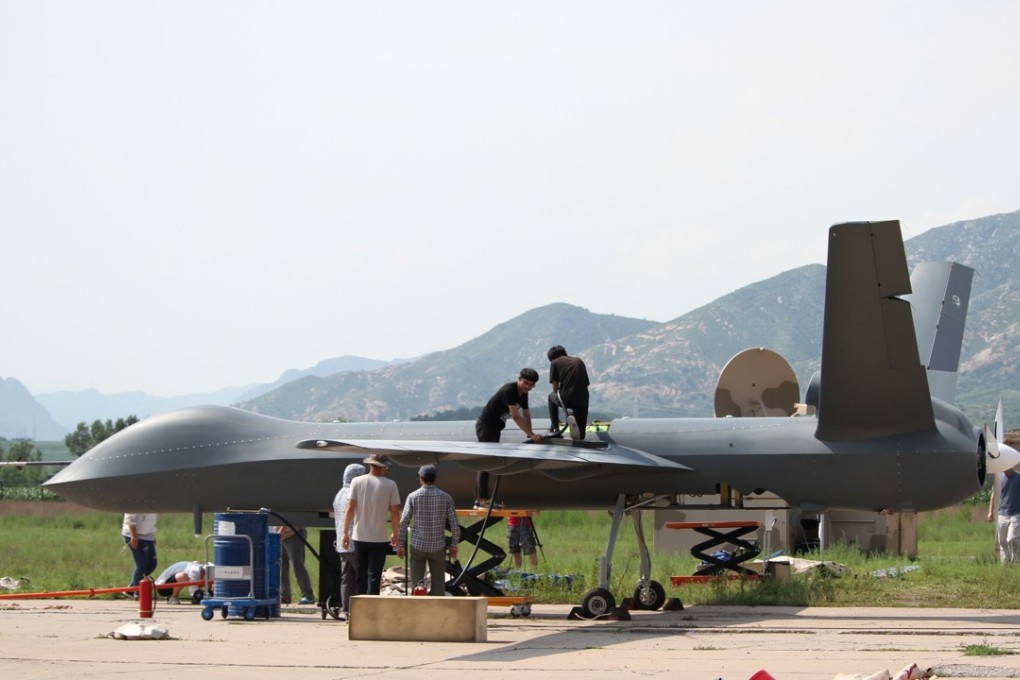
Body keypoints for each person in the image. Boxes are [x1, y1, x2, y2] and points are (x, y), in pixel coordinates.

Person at [475, 368, 544, 507]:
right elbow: (516, 416)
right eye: (526, 383)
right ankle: (481, 500)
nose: (528, 387)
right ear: (519, 379)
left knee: (489, 461)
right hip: (486, 426)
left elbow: (526, 414)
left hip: (496, 427)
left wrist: (530, 433)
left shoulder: (523, 394)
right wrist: (531, 434)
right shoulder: (510, 390)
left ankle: (481, 499)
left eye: (531, 385)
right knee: (486, 461)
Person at [341, 454, 401, 597]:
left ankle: (358, 608)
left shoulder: (356, 481)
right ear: (381, 467)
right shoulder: (390, 484)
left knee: (360, 575)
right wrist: (396, 533)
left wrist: (345, 533)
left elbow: (350, 507)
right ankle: (372, 608)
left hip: (359, 535)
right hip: (380, 538)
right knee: (374, 575)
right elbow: (395, 513)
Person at [397, 464, 460, 596]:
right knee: (438, 581)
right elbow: (454, 523)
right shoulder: (446, 497)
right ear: (435, 478)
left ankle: (418, 608)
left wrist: (400, 544)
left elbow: (403, 522)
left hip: (418, 545)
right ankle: (436, 609)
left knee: (417, 581)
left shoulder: (413, 496)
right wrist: (454, 544)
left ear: (421, 478)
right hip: (438, 545)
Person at [333, 463, 367, 618]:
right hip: (355, 540)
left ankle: (347, 610)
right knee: (362, 576)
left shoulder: (339, 493)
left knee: (347, 578)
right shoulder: (353, 493)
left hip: (342, 542)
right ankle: (362, 609)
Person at [988, 429, 1020, 563]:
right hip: (1002, 513)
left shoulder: (1018, 477)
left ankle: (1015, 560)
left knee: (1011, 539)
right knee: (1002, 541)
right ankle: (1005, 564)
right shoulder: (999, 478)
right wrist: (990, 511)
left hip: (1016, 513)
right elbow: (994, 494)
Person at [546, 345, 591, 440]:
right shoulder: (579, 361)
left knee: (551, 397)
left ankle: (555, 428)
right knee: (581, 435)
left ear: (552, 358)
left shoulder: (555, 362)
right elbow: (586, 384)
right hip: (583, 400)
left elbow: (555, 389)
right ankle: (577, 424)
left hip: (567, 398)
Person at [276, 524, 315, 605]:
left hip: (294, 532)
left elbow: (288, 515)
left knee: (298, 565)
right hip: (281, 535)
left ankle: (308, 596)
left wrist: (280, 533)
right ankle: (285, 596)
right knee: (281, 565)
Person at [121, 513, 158, 596]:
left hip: (148, 535)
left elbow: (150, 520)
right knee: (142, 566)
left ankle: (131, 588)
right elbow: (130, 519)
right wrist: (134, 537)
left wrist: (152, 535)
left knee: (152, 564)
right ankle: (138, 594)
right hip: (134, 535)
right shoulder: (137, 502)